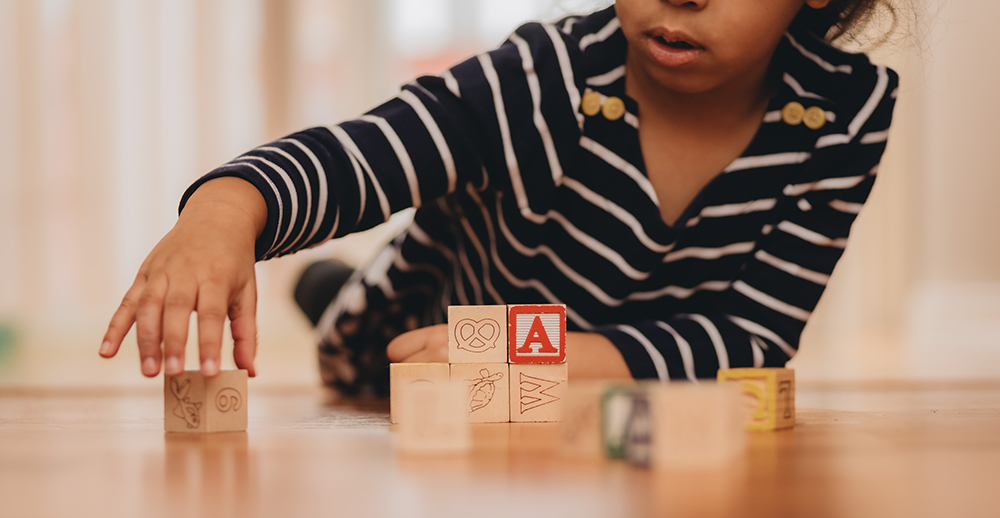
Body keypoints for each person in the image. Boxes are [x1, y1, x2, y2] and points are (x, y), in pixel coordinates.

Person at [99, 0, 900, 397]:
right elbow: (368, 155)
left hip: (611, 370)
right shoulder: (540, 80)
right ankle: (329, 287)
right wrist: (226, 209)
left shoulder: (845, 113)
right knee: (353, 319)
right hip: (424, 329)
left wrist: (548, 354)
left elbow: (755, 335)